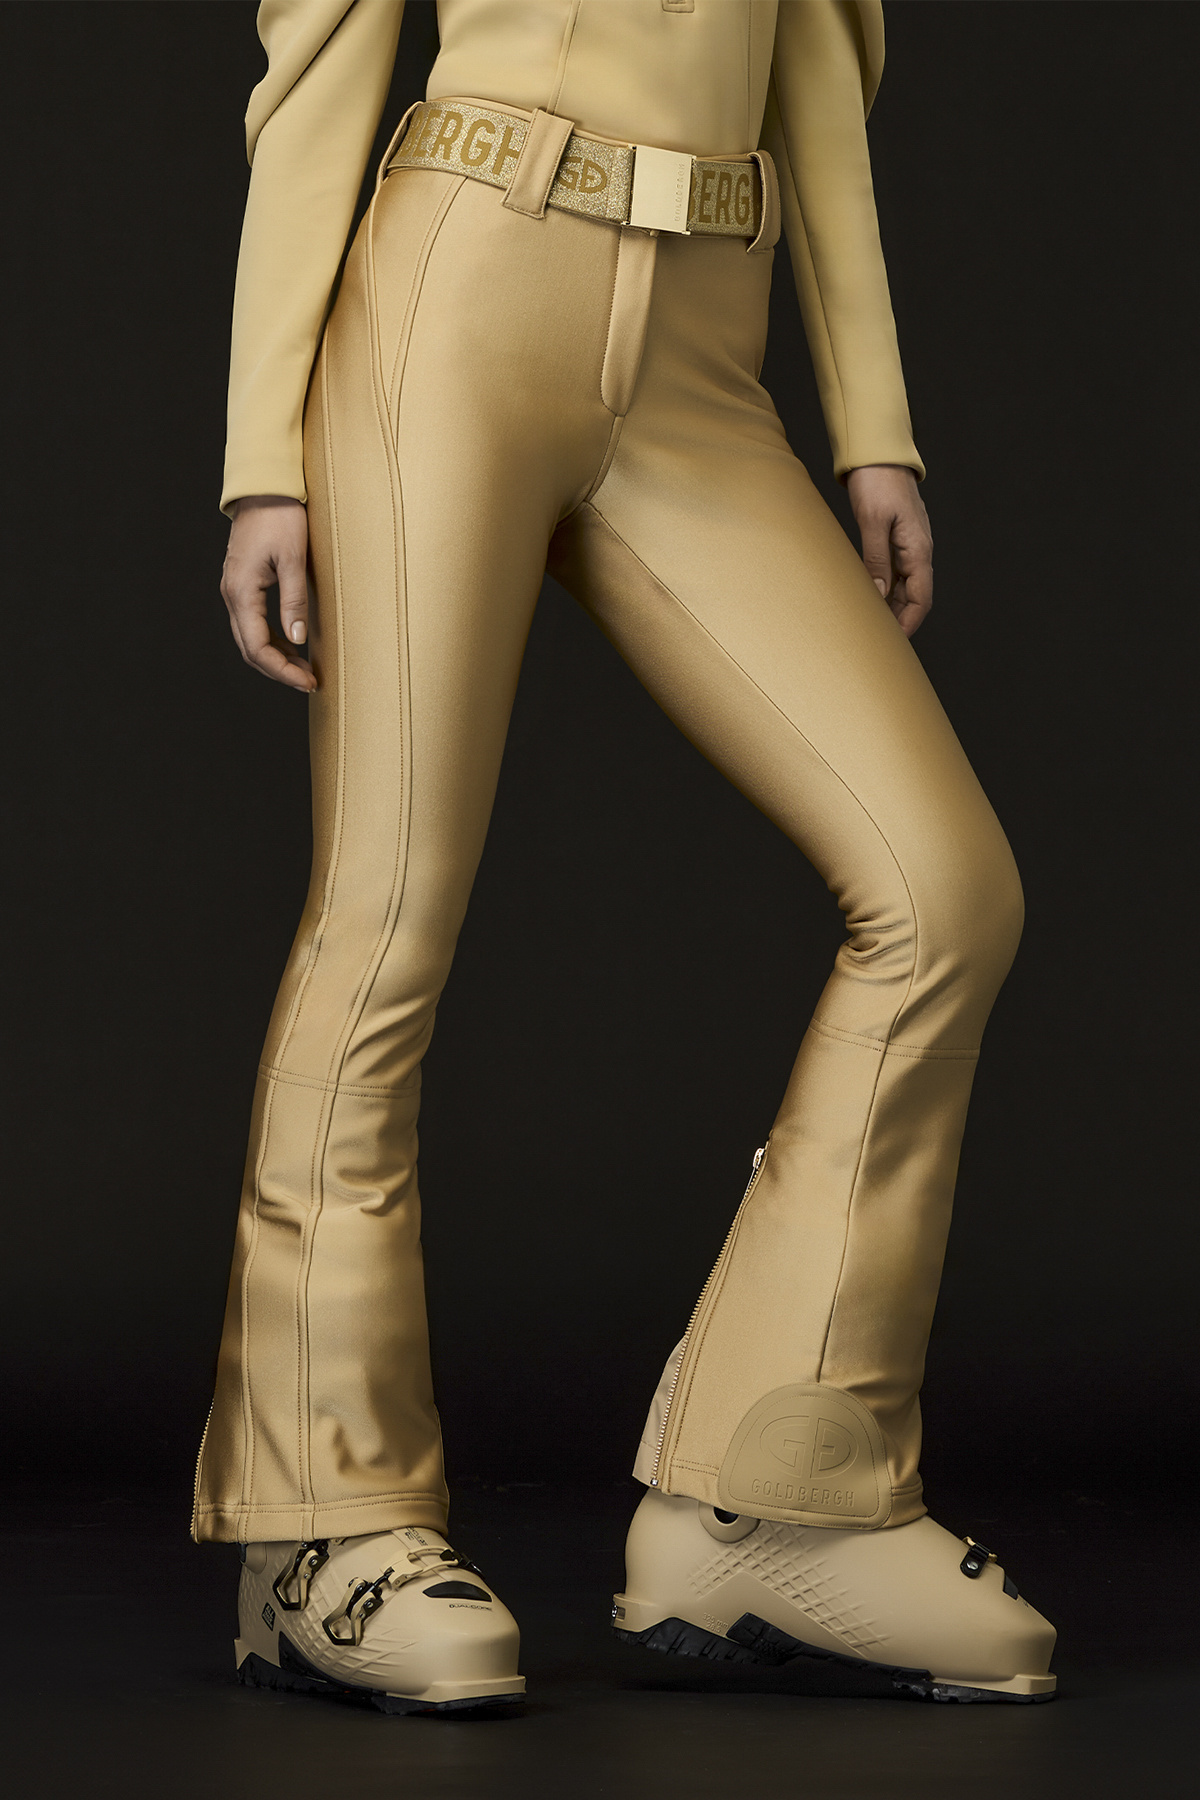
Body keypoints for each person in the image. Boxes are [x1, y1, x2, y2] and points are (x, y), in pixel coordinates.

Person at [201, 0, 1057, 1713]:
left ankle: (773, 1498)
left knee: (944, 890)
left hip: (704, 357)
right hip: (461, 291)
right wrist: (261, 456)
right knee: (384, 916)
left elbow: (820, 77)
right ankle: (317, 1528)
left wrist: (873, 420)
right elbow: (319, 61)